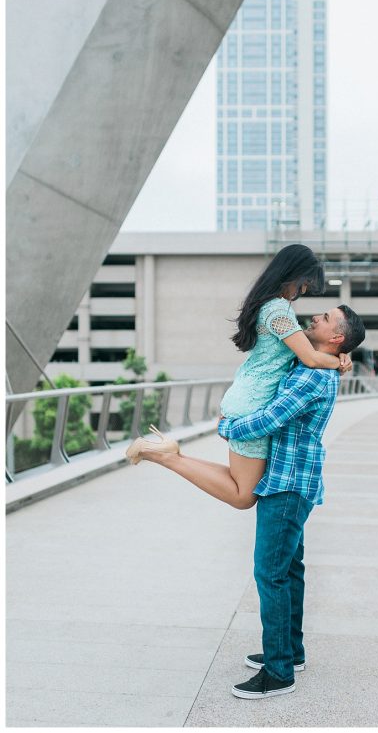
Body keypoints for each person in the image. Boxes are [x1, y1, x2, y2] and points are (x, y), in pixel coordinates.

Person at [125, 244, 352, 509]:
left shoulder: (269, 306)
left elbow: (306, 350)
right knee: (243, 495)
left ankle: (169, 454)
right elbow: (311, 358)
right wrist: (339, 361)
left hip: (246, 397)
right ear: (294, 274)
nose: (303, 291)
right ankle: (163, 456)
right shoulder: (279, 311)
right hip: (252, 404)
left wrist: (342, 357)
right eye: (304, 284)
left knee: (240, 484)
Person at [218, 304, 365, 698]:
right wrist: (340, 359)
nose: (316, 316)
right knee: (289, 570)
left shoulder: (315, 374)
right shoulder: (317, 363)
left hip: (287, 485)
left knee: (270, 573)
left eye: (327, 318)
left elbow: (270, 419)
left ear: (336, 338)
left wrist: (225, 426)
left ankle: (279, 672)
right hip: (294, 480)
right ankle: (290, 652)